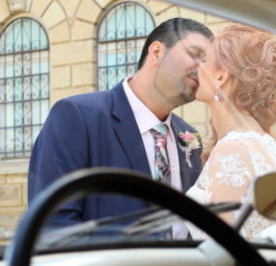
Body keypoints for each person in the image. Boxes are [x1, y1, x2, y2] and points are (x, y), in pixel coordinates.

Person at [28, 18, 213, 228]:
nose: (203, 70)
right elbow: (53, 224)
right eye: (195, 55)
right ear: (156, 53)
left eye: (208, 64)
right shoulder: (77, 116)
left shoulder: (189, 137)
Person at [188, 24, 276, 240]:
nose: (197, 68)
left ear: (221, 76)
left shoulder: (233, 148)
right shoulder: (263, 141)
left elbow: (218, 246)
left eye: (205, 61)